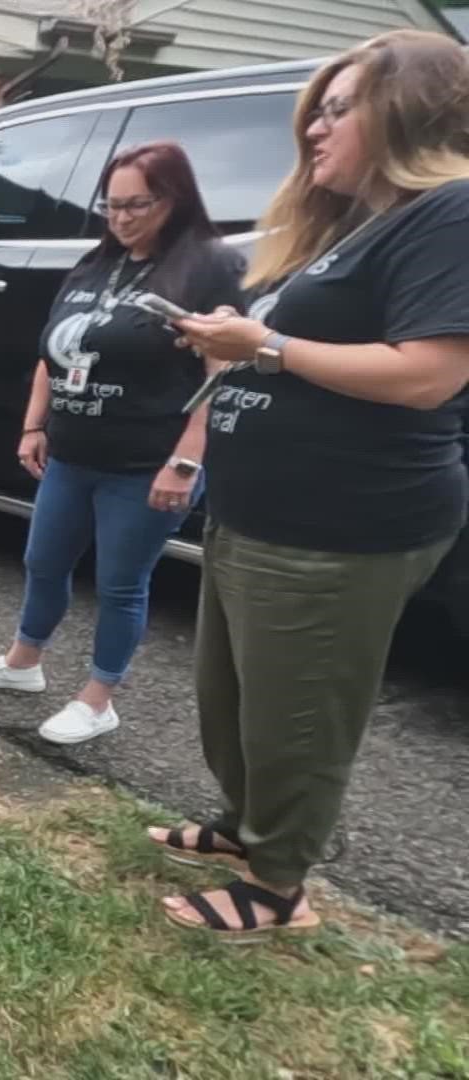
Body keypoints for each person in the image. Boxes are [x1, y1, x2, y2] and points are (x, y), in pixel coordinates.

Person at [162, 30, 469, 940]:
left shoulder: (449, 211)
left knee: (297, 715)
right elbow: (301, 353)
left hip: (343, 526)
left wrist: (262, 344)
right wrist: (236, 339)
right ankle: (240, 830)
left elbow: (427, 374)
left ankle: (278, 887)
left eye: (339, 108)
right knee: (235, 700)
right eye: (317, 109)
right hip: (262, 511)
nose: (315, 130)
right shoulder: (354, 227)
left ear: (409, 111)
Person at [0, 142, 246, 745]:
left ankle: (98, 698)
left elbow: (224, 373)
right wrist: (36, 425)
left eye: (136, 204)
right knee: (43, 562)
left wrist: (187, 460)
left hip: (147, 461)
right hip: (73, 453)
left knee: (120, 581)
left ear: (174, 197)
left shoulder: (206, 267)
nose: (121, 218)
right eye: (110, 205)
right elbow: (54, 353)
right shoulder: (94, 264)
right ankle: (22, 664)